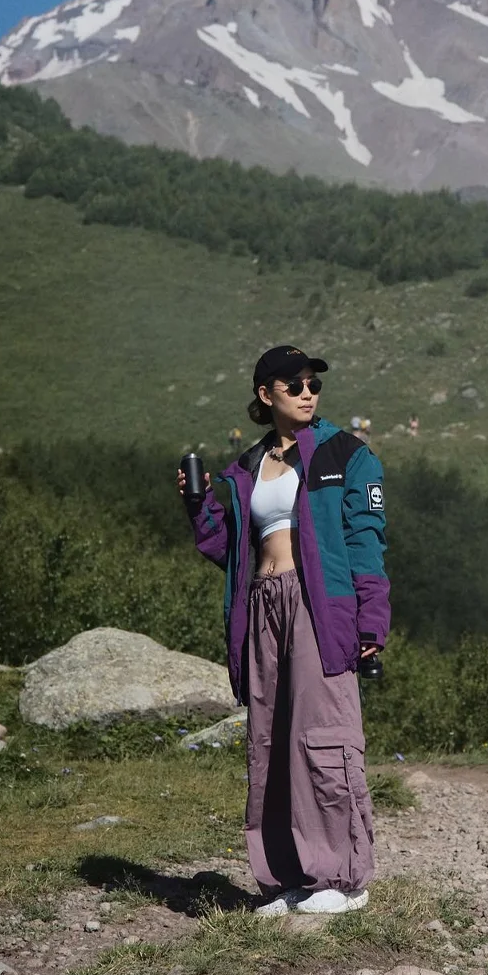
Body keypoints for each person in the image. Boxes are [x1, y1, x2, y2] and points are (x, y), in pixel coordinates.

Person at [178, 345, 389, 916]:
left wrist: (372, 621)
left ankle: (342, 880)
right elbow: (234, 554)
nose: (306, 392)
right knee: (270, 740)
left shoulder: (346, 454)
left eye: (312, 384)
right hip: (262, 605)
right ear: (265, 394)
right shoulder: (248, 466)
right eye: (292, 384)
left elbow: (366, 543)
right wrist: (200, 510)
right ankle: (287, 878)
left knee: (324, 735)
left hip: (320, 604)